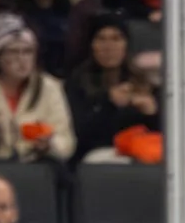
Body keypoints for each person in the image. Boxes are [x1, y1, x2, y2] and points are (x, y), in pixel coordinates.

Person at [0, 14, 77, 162]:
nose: (22, 59)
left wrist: (49, 145)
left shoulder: (50, 87)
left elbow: (67, 142)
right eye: (13, 52)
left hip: (37, 166)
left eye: (28, 51)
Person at [66, 16, 162, 160]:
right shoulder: (77, 81)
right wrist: (108, 102)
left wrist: (151, 113)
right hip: (97, 155)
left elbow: (165, 133)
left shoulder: (144, 80)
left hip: (141, 152)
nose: (108, 46)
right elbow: (78, 133)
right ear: (92, 45)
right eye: (101, 39)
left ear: (126, 44)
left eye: (116, 39)